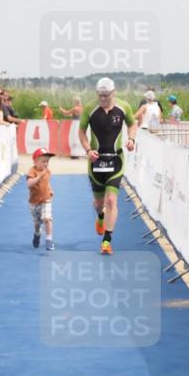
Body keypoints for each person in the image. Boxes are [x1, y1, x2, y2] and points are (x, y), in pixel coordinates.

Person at [78, 77, 136, 255]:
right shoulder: (90, 109)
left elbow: (132, 124)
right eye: (100, 95)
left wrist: (132, 139)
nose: (102, 99)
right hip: (96, 161)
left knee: (111, 200)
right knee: (99, 203)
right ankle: (100, 217)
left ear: (114, 93)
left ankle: (107, 241)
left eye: (106, 95)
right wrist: (88, 150)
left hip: (116, 160)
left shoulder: (124, 107)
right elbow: (81, 131)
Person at [27, 148, 55, 250]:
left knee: (47, 218)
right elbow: (29, 184)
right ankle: (37, 233)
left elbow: (47, 182)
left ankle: (49, 239)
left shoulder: (48, 171)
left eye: (47, 161)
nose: (46, 163)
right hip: (34, 202)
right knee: (37, 223)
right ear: (35, 161)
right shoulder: (32, 171)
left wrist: (50, 189)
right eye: (43, 161)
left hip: (46, 200)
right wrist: (39, 176)